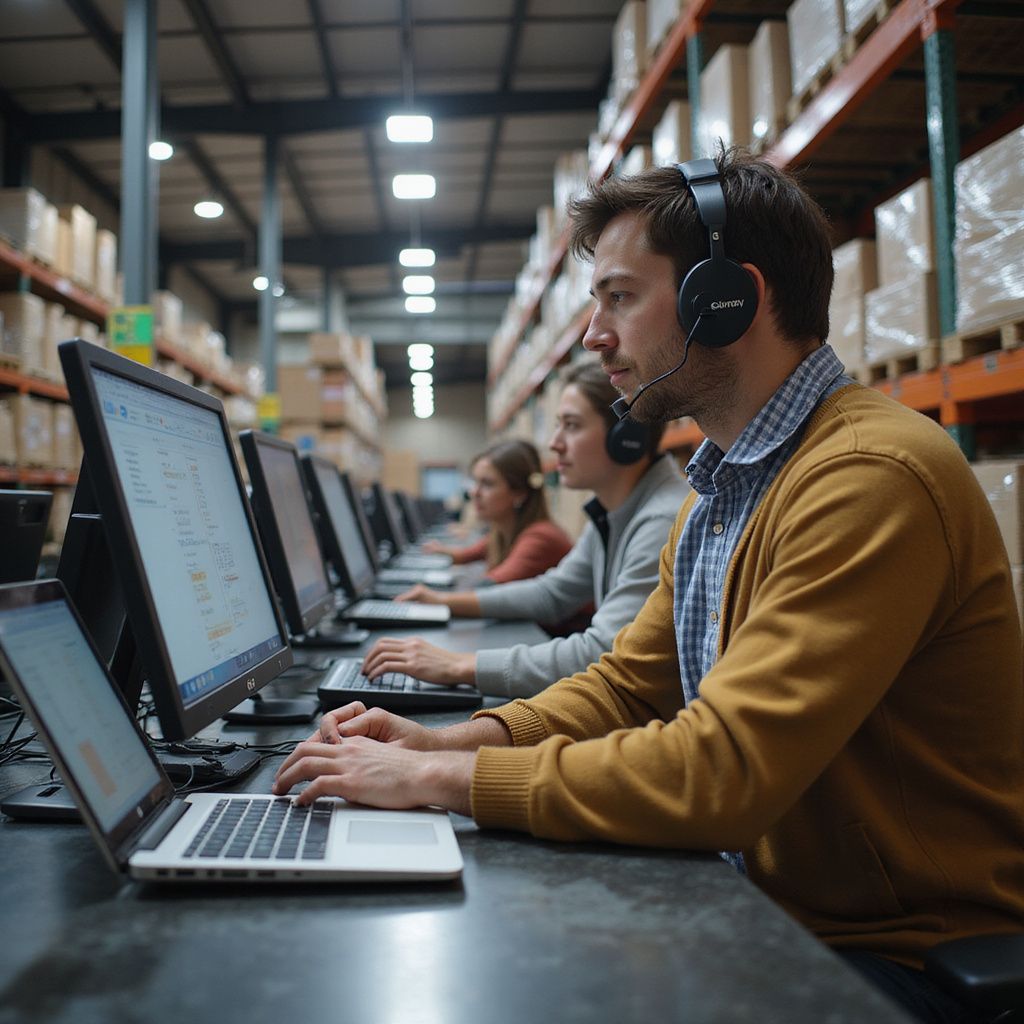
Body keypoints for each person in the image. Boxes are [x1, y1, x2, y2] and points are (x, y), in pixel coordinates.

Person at [275, 150, 1024, 1023]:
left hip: (899, 956)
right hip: (775, 905)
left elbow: (722, 772)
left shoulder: (868, 477)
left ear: (725, 300)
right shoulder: (722, 489)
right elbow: (631, 686)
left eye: (619, 298)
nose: (595, 336)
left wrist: (435, 784)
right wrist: (441, 742)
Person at [360, 361, 690, 697]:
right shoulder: (613, 511)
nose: (554, 443)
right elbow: (552, 593)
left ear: (627, 438)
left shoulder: (661, 520)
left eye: (572, 426)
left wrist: (460, 665)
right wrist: (443, 601)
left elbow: (606, 651)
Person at [436, 439, 572, 584]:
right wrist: (431, 552)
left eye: (487, 484)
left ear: (519, 493)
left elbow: (488, 589)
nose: (474, 492)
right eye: (475, 482)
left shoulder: (540, 537)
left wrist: (432, 598)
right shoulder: (501, 533)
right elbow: (463, 556)